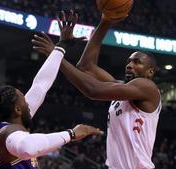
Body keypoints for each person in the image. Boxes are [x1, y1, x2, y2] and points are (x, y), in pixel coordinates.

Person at [32, 10, 161, 169]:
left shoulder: (148, 87)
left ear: (150, 72)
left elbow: (92, 90)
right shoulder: (121, 88)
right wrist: (105, 21)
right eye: (128, 61)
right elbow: (86, 67)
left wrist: (56, 53)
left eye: (137, 62)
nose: (129, 65)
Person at [0, 12, 103, 169]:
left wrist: (61, 46)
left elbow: (41, 85)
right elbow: (27, 147)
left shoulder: (16, 123)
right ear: (17, 109)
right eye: (24, 100)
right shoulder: (7, 134)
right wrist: (71, 134)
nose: (28, 102)